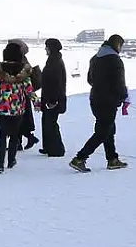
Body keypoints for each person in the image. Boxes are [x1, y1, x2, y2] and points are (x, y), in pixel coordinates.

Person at [70, 34, 129, 172]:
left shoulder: (95, 58)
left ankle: (112, 159)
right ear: (117, 45)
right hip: (108, 101)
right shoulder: (115, 60)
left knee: (107, 128)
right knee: (103, 132)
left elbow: (90, 80)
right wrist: (123, 97)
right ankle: (80, 158)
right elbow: (120, 83)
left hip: (95, 99)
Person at [0, 43, 38, 173]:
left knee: (2, 136)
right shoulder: (24, 71)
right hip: (18, 109)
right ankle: (11, 160)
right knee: (14, 135)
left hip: (2, 107)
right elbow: (29, 91)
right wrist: (37, 103)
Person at [39, 38, 68, 157]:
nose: (45, 49)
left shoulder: (55, 62)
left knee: (51, 123)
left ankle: (57, 149)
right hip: (50, 97)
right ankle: (48, 147)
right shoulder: (53, 60)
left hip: (53, 99)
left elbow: (56, 82)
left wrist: (53, 100)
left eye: (47, 46)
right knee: (46, 122)